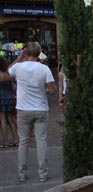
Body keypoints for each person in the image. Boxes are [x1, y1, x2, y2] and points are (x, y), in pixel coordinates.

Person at [9, 42, 57, 182]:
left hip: (23, 109)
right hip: (40, 108)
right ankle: (43, 173)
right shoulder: (44, 69)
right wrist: (46, 91)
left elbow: (7, 71)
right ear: (39, 53)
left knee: (23, 142)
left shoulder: (18, 67)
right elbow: (52, 89)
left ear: (26, 53)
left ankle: (22, 173)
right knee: (41, 141)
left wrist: (19, 57)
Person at [0, 56, 18, 147]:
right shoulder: (8, 75)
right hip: (9, 97)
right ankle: (15, 139)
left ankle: (5, 142)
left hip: (1, 98)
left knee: (2, 119)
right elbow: (13, 87)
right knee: (10, 118)